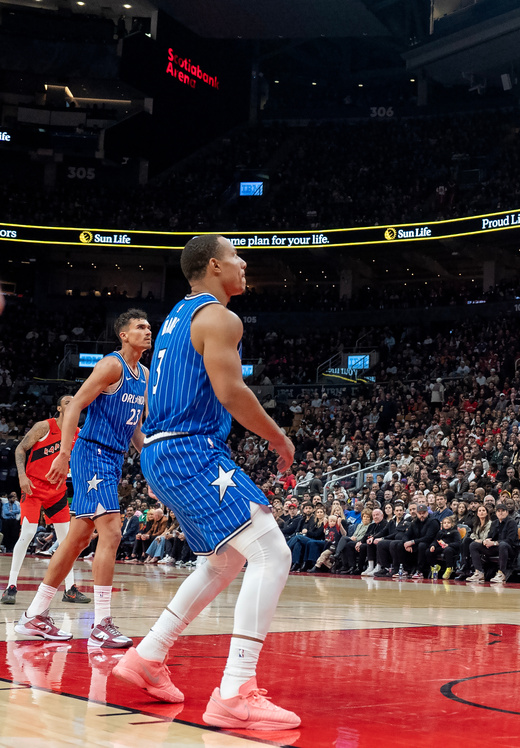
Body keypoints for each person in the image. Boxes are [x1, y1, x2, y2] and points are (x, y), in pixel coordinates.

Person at [111, 235, 299, 730]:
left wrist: (158, 462)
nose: (244, 264)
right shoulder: (220, 316)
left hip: (163, 448)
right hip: (190, 449)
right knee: (272, 553)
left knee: (224, 559)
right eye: (237, 256)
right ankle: (237, 689)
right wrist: (280, 440)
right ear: (214, 265)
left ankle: (148, 655)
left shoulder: (176, 316)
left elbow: (160, 397)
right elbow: (232, 392)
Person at [16, 310, 151, 647]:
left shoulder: (144, 375)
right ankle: (102, 622)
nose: (147, 331)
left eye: (149, 327)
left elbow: (134, 426)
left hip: (112, 458)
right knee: (113, 532)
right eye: (140, 327)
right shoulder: (112, 365)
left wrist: (149, 460)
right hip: (92, 453)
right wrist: (63, 453)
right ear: (123, 334)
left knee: (76, 540)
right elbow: (74, 405)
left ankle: (35, 615)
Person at [2, 395, 90, 606]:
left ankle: (70, 589)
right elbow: (20, 448)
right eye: (67, 402)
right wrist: (22, 476)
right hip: (33, 487)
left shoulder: (78, 434)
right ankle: (11, 586)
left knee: (68, 541)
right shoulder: (45, 427)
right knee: (29, 533)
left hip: (57, 491)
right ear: (59, 408)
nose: (72, 404)